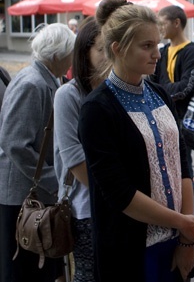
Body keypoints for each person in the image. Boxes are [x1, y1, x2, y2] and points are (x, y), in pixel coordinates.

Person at [77, 0, 194, 282]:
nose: (157, 53)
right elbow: (118, 193)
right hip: (129, 249)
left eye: (157, 44)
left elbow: (182, 163)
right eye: (146, 46)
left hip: (175, 239)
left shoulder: (159, 92)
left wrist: (185, 238)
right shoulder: (96, 109)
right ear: (118, 49)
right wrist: (182, 222)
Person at [0, 23, 75, 282]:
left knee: (35, 266)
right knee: (22, 268)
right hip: (20, 194)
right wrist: (51, 179)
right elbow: (14, 142)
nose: (72, 59)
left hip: (29, 192)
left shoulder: (44, 77)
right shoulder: (33, 83)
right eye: (70, 53)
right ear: (56, 55)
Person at [53, 17, 108, 282]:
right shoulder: (69, 95)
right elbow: (74, 160)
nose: (110, 56)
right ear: (84, 51)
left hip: (123, 205)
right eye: (101, 48)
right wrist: (116, 196)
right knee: (88, 274)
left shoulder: (117, 90)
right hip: (86, 208)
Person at [151, 5, 194, 216]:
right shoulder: (162, 51)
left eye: (162, 22)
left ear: (176, 23)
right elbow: (154, 83)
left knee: (184, 165)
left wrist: (163, 90)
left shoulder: (192, 51)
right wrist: (166, 89)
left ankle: (193, 212)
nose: (160, 28)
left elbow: (186, 87)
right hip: (162, 117)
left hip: (183, 120)